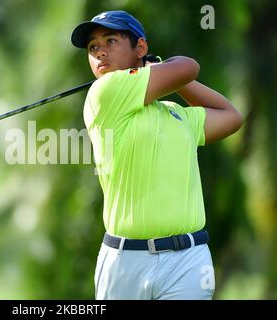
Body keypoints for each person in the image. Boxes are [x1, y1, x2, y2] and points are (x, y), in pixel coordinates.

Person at [70, 10, 243, 300]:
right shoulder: (104, 92)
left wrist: (169, 79)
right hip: (125, 261)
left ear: (140, 48)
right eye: (92, 47)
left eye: (110, 41)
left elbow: (231, 116)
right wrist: (162, 69)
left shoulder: (176, 114)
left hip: (188, 261)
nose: (99, 52)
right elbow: (188, 66)